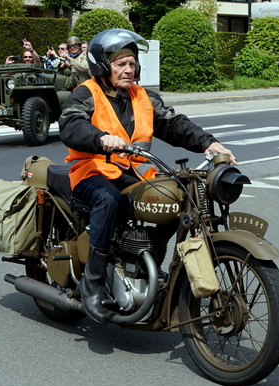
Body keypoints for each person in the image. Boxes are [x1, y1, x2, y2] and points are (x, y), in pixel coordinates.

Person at [59, 28, 236, 325]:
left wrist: (209, 143)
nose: (128, 70)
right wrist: (100, 138)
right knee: (108, 199)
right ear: (103, 65)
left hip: (135, 174)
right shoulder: (86, 93)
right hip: (92, 172)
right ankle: (93, 282)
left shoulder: (143, 97)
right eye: (121, 64)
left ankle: (145, 262)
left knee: (175, 198)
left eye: (131, 63)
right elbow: (70, 124)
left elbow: (174, 124)